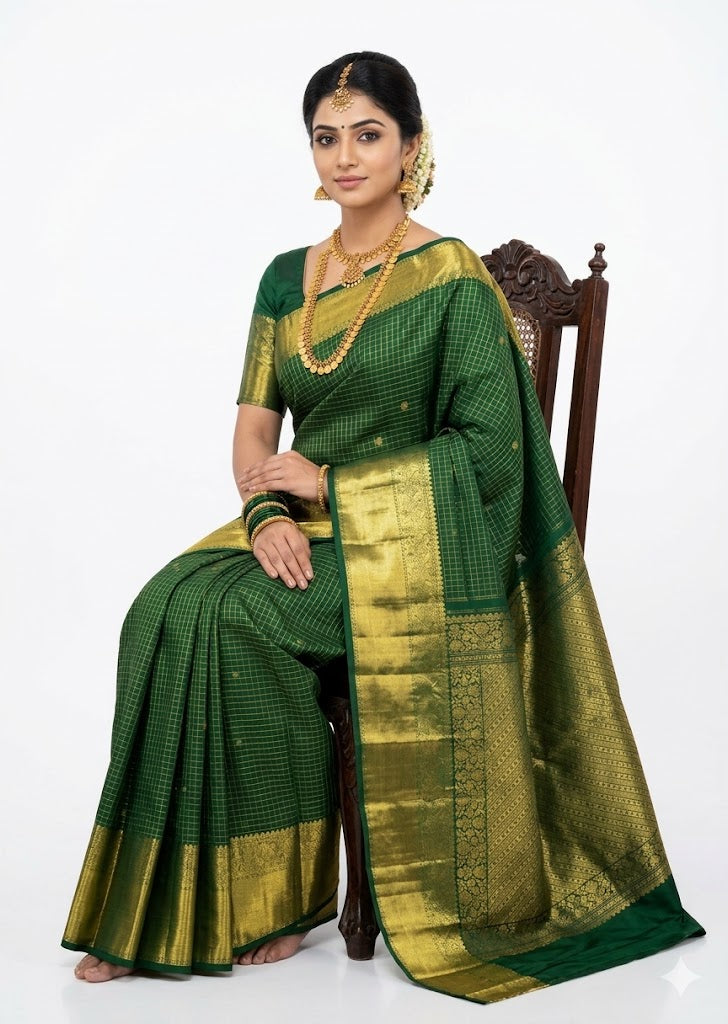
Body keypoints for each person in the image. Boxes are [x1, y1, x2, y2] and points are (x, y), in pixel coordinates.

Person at [63, 51, 705, 1003]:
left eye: (368, 134)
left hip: (424, 549)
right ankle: (226, 897)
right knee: (165, 604)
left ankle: (261, 904)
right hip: (308, 530)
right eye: (327, 137)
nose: (345, 156)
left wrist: (332, 485)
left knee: (235, 620)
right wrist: (267, 508)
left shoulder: (448, 277)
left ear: (412, 146)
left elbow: (490, 456)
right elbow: (252, 427)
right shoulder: (288, 279)